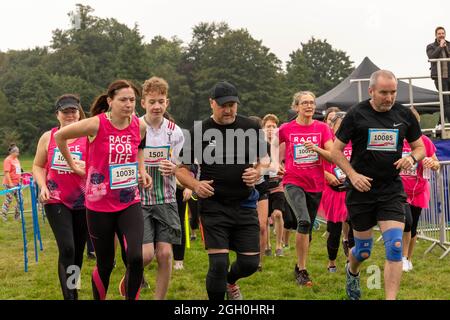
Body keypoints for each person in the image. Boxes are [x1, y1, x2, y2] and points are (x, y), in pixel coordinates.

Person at [331, 70, 426, 300]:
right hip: (361, 191)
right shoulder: (356, 114)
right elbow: (335, 150)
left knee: (394, 246)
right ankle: (352, 270)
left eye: (393, 92)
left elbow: (420, 147)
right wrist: (352, 175)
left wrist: (411, 158)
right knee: (363, 251)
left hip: (391, 190)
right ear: (371, 91)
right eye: (384, 92)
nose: (389, 97)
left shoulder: (404, 114)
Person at [54, 79, 152, 300]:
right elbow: (59, 136)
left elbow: (139, 146)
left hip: (129, 200)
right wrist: (72, 166)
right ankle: (81, 294)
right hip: (95, 204)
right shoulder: (96, 124)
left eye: (132, 100)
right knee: (104, 263)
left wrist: (142, 169)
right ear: (110, 101)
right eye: (123, 100)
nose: (129, 104)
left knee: (135, 257)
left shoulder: (140, 125)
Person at [175, 80, 267, 300]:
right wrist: (196, 184)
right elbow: (180, 171)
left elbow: (264, 160)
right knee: (218, 264)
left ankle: (230, 281)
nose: (228, 110)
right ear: (212, 103)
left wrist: (257, 172)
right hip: (214, 206)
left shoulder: (251, 127)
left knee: (250, 263)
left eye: (232, 105)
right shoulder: (198, 131)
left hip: (244, 205)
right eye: (223, 105)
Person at [126, 76, 184, 300]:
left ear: (167, 103)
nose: (157, 106)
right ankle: (132, 278)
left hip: (166, 198)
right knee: (146, 255)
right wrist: (137, 172)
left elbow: (182, 164)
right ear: (143, 103)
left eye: (161, 101)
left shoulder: (175, 132)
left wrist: (175, 167)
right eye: (152, 102)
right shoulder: (133, 128)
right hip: (139, 200)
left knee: (166, 254)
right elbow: (124, 159)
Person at [32, 94, 88, 300]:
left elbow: (101, 164)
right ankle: (70, 297)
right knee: (67, 248)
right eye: (65, 111)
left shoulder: (89, 136)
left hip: (83, 200)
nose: (70, 115)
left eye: (73, 111)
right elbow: (37, 166)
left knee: (78, 251)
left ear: (79, 112)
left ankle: (73, 287)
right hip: (56, 198)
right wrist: (42, 185)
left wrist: (88, 168)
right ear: (58, 115)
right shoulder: (49, 137)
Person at [278, 91, 334, 287]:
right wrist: (276, 163)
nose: (309, 106)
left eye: (311, 103)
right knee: (304, 221)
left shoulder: (322, 128)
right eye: (304, 103)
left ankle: (298, 264)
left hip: (316, 183)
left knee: (307, 229)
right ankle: (302, 271)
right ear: (296, 107)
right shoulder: (286, 128)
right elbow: (270, 146)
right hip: (293, 180)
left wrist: (316, 149)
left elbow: (332, 155)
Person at [400, 107, 440, 272]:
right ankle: (401, 258)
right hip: (399, 191)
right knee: (406, 223)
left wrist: (432, 163)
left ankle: (409, 259)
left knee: (413, 226)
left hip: (418, 190)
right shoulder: (396, 141)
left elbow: (437, 164)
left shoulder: (425, 141)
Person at [320, 111, 352, 272]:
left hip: (352, 191)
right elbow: (317, 164)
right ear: (332, 127)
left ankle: (350, 259)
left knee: (353, 226)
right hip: (333, 191)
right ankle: (331, 261)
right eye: (339, 126)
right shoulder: (327, 143)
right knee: (334, 229)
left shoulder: (354, 142)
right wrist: (327, 175)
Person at [262, 114, 286, 258]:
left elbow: (287, 160)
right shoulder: (259, 144)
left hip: (278, 184)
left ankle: (279, 245)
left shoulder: (281, 145)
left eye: (273, 126)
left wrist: (283, 168)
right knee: (264, 219)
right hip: (264, 185)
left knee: (277, 213)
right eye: (268, 127)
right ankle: (267, 245)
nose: (271, 129)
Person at [426, 26, 450, 123]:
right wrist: (440, 46)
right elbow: (432, 57)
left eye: (442, 33)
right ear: (436, 35)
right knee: (446, 102)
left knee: (445, 103)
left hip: (449, 76)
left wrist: (446, 47)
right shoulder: (430, 46)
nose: (441, 35)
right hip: (440, 78)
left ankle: (440, 125)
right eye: (439, 33)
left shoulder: (449, 44)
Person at [1, 144, 22, 221]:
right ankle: (3, 216)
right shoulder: (8, 160)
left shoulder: (16, 159)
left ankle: (17, 216)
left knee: (21, 200)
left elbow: (18, 170)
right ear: (12, 152)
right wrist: (10, 183)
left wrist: (20, 178)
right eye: (17, 152)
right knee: (9, 200)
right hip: (9, 184)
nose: (18, 154)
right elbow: (6, 173)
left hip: (18, 184)